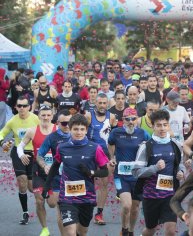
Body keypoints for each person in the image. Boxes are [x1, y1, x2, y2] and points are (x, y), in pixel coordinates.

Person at [42, 114, 109, 236]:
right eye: (76, 129)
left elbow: (105, 171)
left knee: (81, 233)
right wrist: (47, 187)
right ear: (70, 129)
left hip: (86, 198)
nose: (79, 132)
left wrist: (91, 173)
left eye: (82, 129)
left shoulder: (95, 148)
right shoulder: (62, 148)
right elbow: (55, 167)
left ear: (86, 130)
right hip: (67, 198)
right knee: (70, 232)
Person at [132, 110, 185, 236]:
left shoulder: (175, 144)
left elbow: (180, 164)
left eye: (165, 125)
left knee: (171, 230)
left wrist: (181, 172)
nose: (162, 128)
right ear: (153, 126)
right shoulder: (146, 147)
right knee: (151, 229)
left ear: (168, 126)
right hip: (151, 196)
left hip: (170, 195)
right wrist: (154, 168)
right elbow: (136, 172)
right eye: (158, 125)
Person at [108, 108, 150, 236]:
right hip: (121, 176)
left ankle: (131, 231)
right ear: (123, 120)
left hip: (137, 177)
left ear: (137, 119)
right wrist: (112, 157)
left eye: (133, 119)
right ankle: (124, 229)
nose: (131, 122)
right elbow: (110, 143)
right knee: (127, 205)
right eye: (127, 119)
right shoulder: (116, 133)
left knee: (135, 208)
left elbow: (150, 146)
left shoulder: (143, 133)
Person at [16, 105, 56, 236]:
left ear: (52, 116)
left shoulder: (58, 130)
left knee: (52, 203)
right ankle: (45, 228)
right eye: (43, 115)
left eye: (48, 115)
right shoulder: (32, 131)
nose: (45, 118)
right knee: (39, 201)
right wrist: (21, 155)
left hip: (55, 171)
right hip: (38, 170)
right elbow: (20, 146)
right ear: (38, 116)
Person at [0, 96, 39, 224]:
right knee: (22, 182)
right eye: (19, 106)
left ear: (29, 106)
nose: (22, 108)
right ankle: (25, 213)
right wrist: (2, 144)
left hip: (33, 154)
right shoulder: (12, 121)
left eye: (24, 106)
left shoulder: (35, 119)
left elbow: (43, 133)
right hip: (18, 153)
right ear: (16, 107)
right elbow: (2, 134)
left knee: (31, 187)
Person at [37, 109, 72, 235]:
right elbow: (39, 155)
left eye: (70, 122)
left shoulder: (79, 134)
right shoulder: (52, 138)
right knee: (61, 209)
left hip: (76, 178)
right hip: (59, 178)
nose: (68, 126)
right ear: (57, 123)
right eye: (64, 123)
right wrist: (45, 165)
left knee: (77, 210)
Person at [85, 93, 117, 225]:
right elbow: (82, 133)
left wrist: (113, 157)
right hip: (90, 154)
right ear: (95, 103)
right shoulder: (88, 116)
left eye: (105, 103)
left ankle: (99, 213)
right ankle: (85, 208)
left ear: (108, 104)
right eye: (100, 103)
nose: (102, 106)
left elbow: (113, 139)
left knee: (104, 184)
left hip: (105, 155)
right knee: (88, 182)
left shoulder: (112, 117)